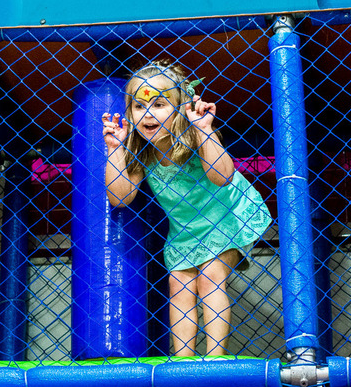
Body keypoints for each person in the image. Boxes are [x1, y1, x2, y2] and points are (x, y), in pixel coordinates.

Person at [102, 60, 272, 356]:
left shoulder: (194, 134)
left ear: (181, 107)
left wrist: (205, 130)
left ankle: (216, 357)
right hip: (186, 231)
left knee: (210, 275)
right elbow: (120, 197)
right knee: (178, 286)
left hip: (228, 216)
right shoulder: (141, 149)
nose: (148, 114)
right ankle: (184, 360)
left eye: (159, 104)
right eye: (139, 107)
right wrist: (115, 150)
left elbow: (223, 176)